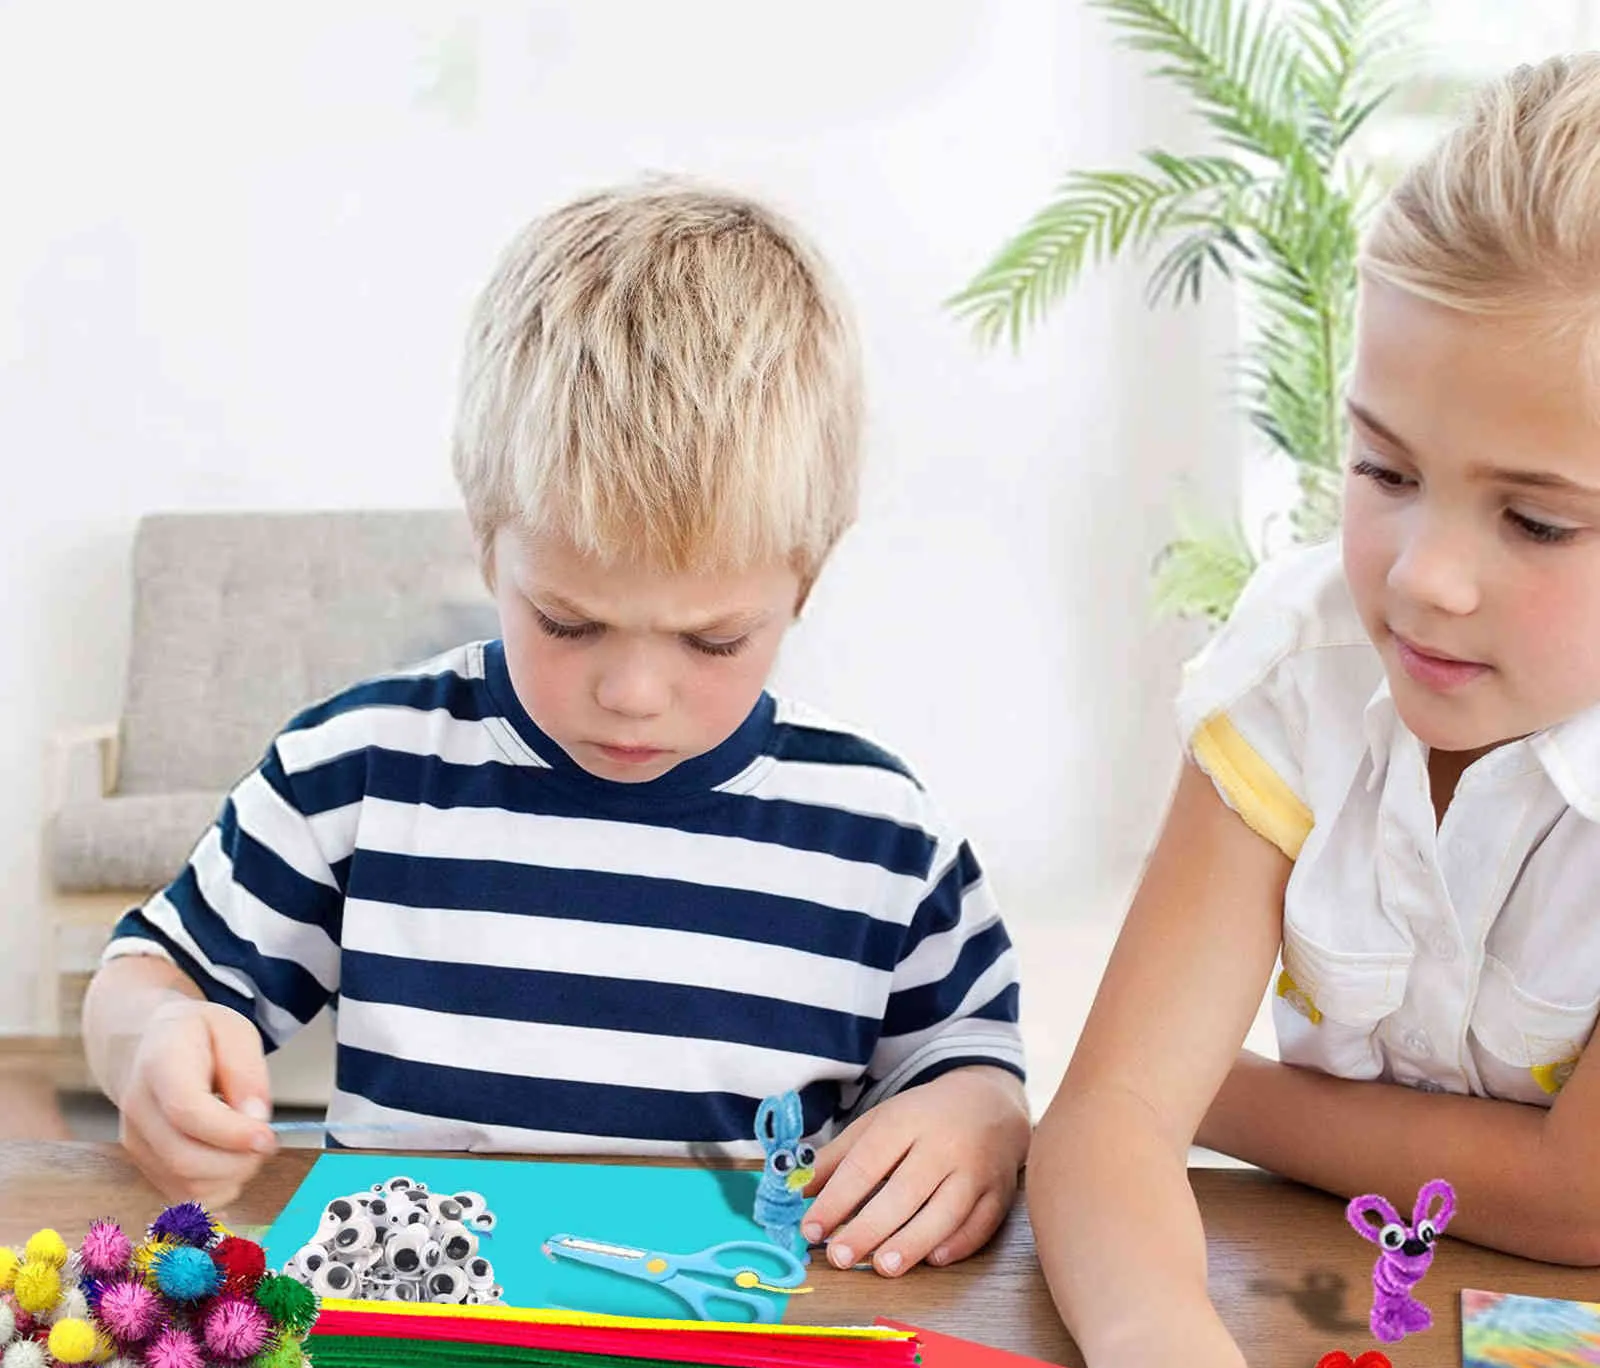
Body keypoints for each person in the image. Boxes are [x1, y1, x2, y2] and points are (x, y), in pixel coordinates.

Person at [82, 180, 1030, 1278]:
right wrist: (151, 1042)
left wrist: (982, 1115)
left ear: (806, 578)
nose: (631, 692)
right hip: (408, 1362)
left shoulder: (881, 836)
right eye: (569, 621)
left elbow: (972, 1057)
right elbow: (153, 975)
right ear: (489, 543)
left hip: (730, 1355)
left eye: (712, 640)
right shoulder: (358, 777)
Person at [958, 53, 1600, 1368]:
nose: (1424, 577)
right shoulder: (1302, 673)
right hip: (1326, 1314)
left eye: (1535, 519)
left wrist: (1212, 1092)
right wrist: (1169, 1359)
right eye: (1382, 468)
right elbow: (1103, 1126)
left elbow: (1581, 1203)